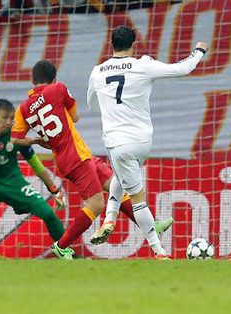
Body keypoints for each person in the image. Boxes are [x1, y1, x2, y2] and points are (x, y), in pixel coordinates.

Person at [11, 60, 173, 259]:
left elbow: (15, 139)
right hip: (75, 157)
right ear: (54, 79)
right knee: (96, 204)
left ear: (32, 79)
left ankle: (151, 223)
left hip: (72, 155)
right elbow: (75, 116)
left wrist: (37, 140)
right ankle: (61, 246)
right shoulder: (58, 89)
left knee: (117, 185)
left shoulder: (23, 109)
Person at [86, 25, 207, 254]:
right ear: (134, 44)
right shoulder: (143, 65)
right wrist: (199, 50)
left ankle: (155, 249)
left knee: (137, 198)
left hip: (117, 143)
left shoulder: (97, 72)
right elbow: (183, 68)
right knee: (123, 174)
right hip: (143, 142)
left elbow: (91, 102)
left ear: (111, 44)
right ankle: (117, 223)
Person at [0, 99, 67, 247]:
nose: (8, 122)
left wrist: (53, 189)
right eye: (4, 117)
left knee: (48, 213)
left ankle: (67, 253)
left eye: (11, 118)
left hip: (14, 184)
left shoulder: (16, 137)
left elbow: (36, 165)